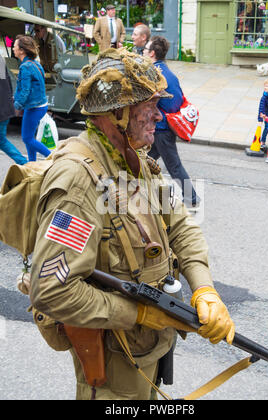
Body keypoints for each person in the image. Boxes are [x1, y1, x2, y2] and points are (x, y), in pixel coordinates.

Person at [29, 49, 235, 400]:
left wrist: (204, 288)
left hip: (146, 348)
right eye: (149, 105)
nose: (159, 114)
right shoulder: (79, 183)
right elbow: (52, 290)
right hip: (113, 363)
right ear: (116, 113)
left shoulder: (133, 161)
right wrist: (137, 312)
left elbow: (181, 225)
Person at [143, 36, 200, 210]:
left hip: (161, 129)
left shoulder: (154, 74)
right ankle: (139, 191)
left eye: (145, 50)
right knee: (144, 160)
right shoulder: (168, 72)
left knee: (174, 166)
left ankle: (192, 198)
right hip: (167, 127)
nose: (143, 52)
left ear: (152, 53)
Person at [13, 35, 51, 162]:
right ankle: (32, 163)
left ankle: (52, 157)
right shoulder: (35, 63)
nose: (13, 48)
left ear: (22, 50)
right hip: (40, 105)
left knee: (27, 138)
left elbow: (25, 91)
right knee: (30, 138)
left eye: (15, 46)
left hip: (34, 107)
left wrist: (16, 104)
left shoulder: (25, 67)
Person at [0, 54, 27, 165]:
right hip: (5, 107)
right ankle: (25, 163)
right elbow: (7, 80)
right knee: (2, 141)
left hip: (2, 109)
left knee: (2, 141)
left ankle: (25, 163)